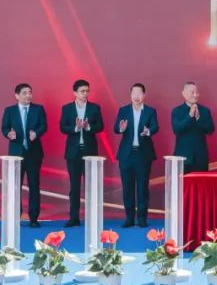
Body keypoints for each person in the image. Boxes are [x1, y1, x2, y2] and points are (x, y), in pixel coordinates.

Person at [59, 79, 104, 228]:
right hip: (73, 153)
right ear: (75, 93)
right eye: (82, 91)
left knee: (91, 186)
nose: (85, 94)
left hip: (90, 152)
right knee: (75, 186)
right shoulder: (67, 108)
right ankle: (74, 218)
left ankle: (92, 217)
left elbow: (101, 126)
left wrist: (88, 126)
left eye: (87, 91)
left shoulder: (94, 108)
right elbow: (62, 127)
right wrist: (76, 128)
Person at [0, 83, 47, 228]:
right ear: (17, 95)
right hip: (16, 154)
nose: (28, 95)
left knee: (34, 185)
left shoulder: (38, 109)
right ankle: (16, 216)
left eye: (30, 92)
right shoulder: (9, 110)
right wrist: (9, 134)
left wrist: (36, 133)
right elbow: (4, 128)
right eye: (25, 93)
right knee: (15, 186)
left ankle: (34, 218)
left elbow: (44, 126)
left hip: (34, 153)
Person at [114, 83, 158, 228]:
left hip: (143, 154)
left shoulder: (150, 111)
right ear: (130, 95)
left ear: (144, 95)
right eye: (134, 93)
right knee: (127, 187)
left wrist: (148, 131)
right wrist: (121, 128)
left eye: (139, 94)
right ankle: (129, 218)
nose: (136, 96)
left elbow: (155, 127)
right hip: (126, 154)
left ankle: (142, 218)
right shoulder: (124, 110)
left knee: (142, 187)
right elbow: (116, 128)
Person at [171, 82, 215, 173]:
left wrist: (198, 120)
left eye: (196, 92)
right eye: (192, 92)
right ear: (183, 93)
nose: (195, 95)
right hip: (183, 156)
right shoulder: (177, 111)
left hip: (201, 157)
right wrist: (190, 116)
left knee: (202, 181)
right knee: (183, 182)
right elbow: (177, 129)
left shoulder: (205, 110)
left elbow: (210, 129)